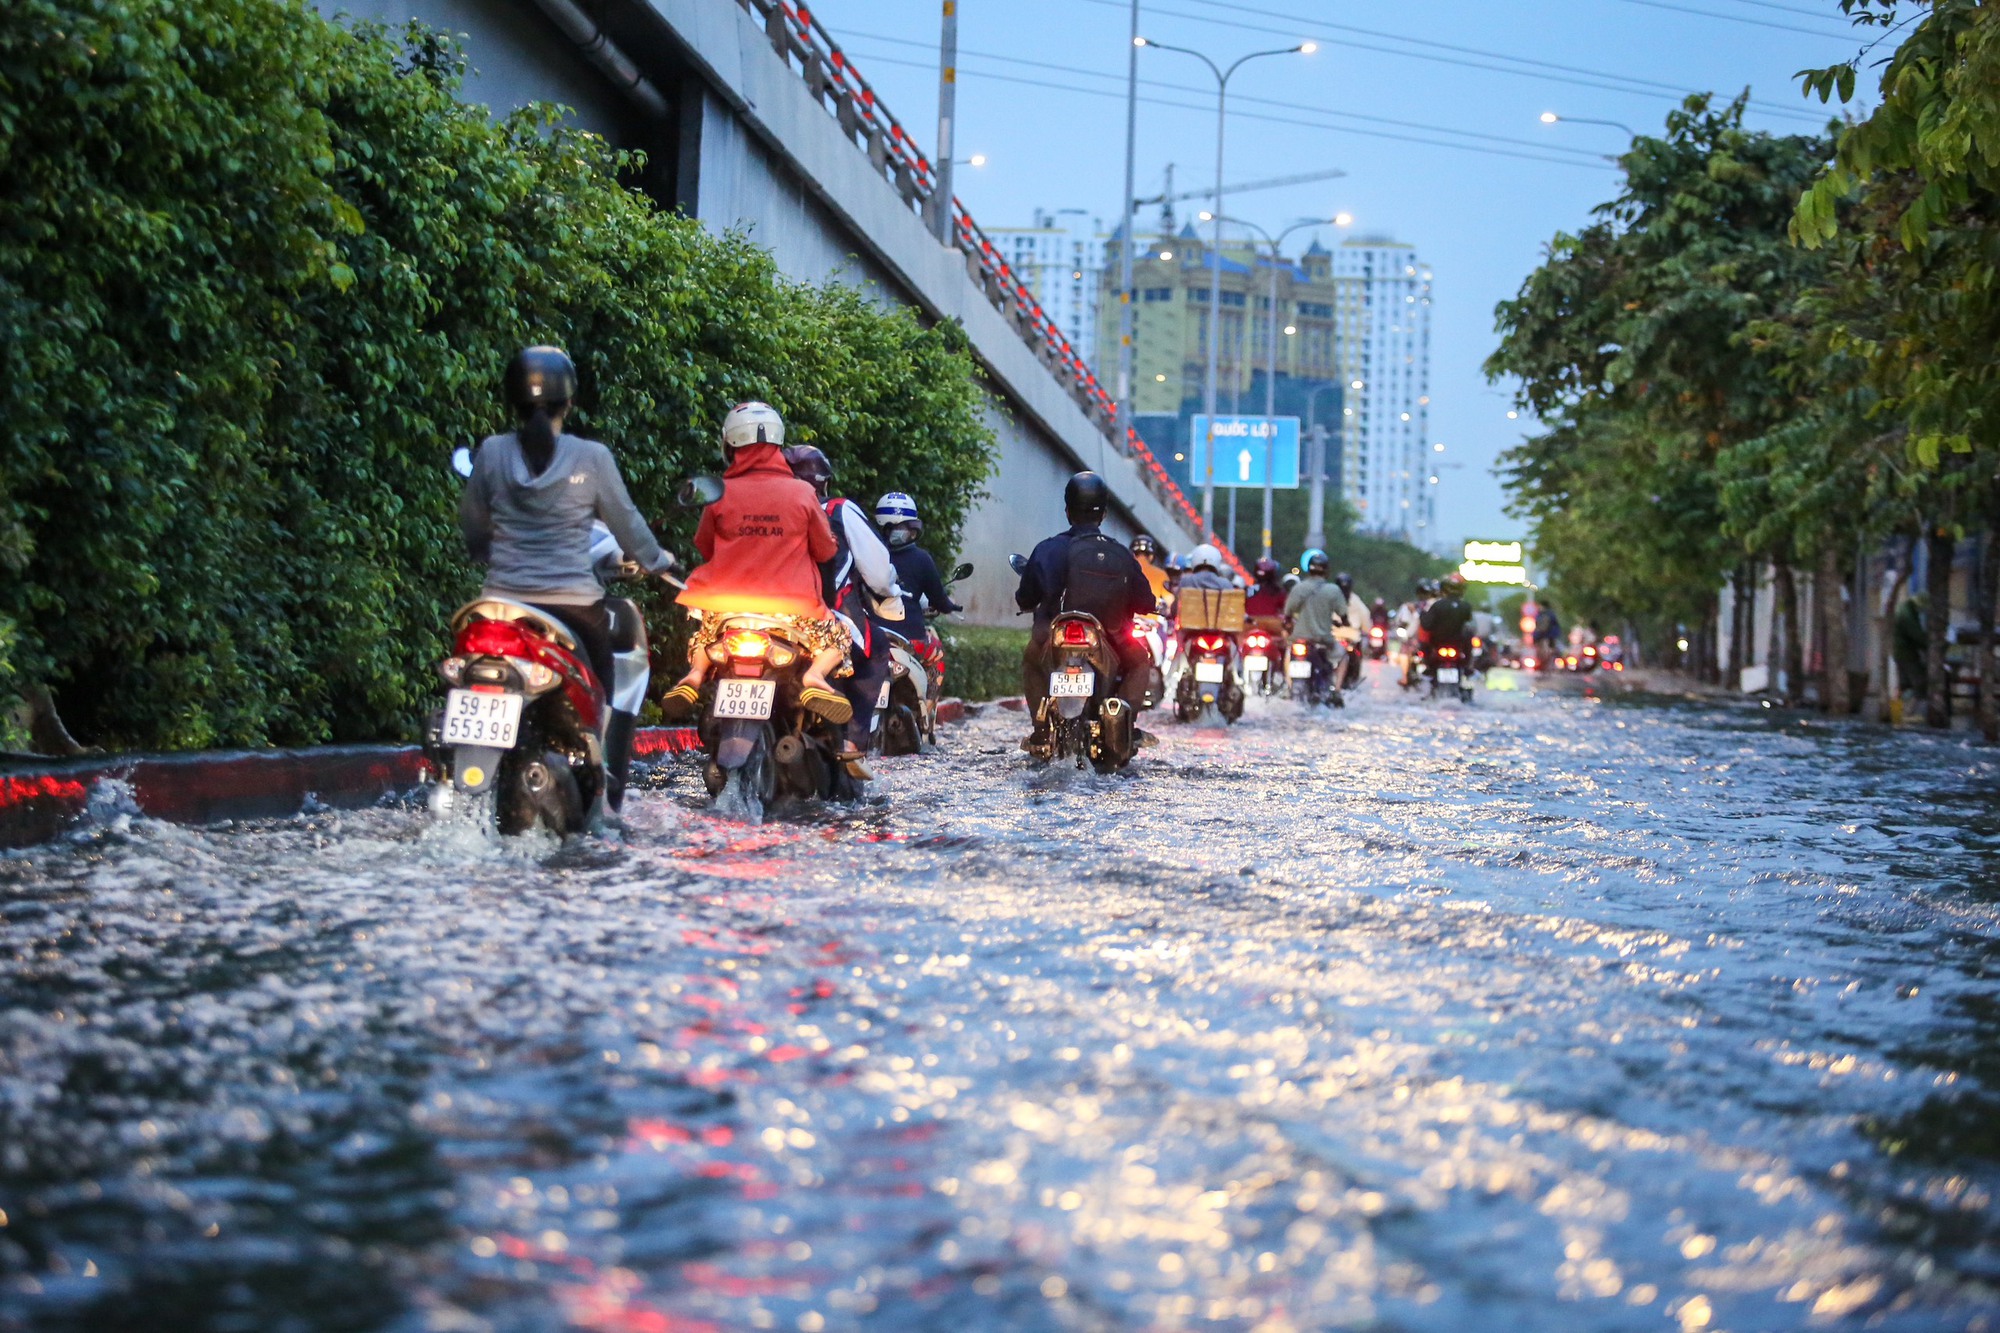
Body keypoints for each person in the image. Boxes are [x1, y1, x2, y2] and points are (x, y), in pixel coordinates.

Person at [460, 346, 680, 813]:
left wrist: (486, 553)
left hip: (499, 605)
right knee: (600, 694)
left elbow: (473, 526)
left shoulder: (492, 452)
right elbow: (626, 522)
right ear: (569, 403)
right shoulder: (591, 456)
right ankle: (599, 793)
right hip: (573, 606)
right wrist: (657, 560)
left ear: (511, 400)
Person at [664, 401, 850, 728]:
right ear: (778, 442)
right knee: (840, 636)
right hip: (793, 612)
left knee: (706, 639)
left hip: (725, 608)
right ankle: (816, 677)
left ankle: (693, 675)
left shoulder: (720, 493)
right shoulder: (802, 493)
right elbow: (824, 552)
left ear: (730, 443)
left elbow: (704, 546)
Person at [1016, 472, 1157, 747]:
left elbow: (1025, 596)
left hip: (1051, 635)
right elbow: (1145, 601)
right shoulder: (1120, 553)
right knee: (1140, 661)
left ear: (1068, 511)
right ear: (1103, 514)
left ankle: (1041, 730)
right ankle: (1124, 725)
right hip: (1110, 640)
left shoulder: (1047, 549)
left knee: (1031, 662)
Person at [788, 447, 905, 772]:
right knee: (877, 646)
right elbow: (879, 574)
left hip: (762, 613)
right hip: (826, 616)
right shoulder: (837, 510)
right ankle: (852, 742)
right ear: (823, 482)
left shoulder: (765, 508)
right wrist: (891, 590)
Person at [875, 491, 960, 617]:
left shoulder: (869, 554)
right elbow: (939, 599)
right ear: (887, 528)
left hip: (872, 627)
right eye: (904, 527)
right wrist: (949, 606)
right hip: (910, 630)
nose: (911, 532)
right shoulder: (921, 558)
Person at [1282, 550, 1349, 698]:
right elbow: (1344, 615)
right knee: (1344, 656)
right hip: (1323, 641)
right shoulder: (1333, 590)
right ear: (1326, 570)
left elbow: (1287, 614)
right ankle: (1337, 691)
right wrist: (1342, 622)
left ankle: (1288, 686)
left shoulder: (1298, 588)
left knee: (1288, 654)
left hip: (1299, 640)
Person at [1421, 572, 1476, 664]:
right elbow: (1471, 626)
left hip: (1439, 642)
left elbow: (1427, 625)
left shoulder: (1437, 605)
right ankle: (1468, 666)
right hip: (1457, 643)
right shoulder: (1466, 606)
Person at [1331, 571, 1371, 688]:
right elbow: (1366, 618)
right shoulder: (1355, 600)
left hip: (1332, 636)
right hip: (1350, 637)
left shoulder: (1329, 597)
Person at [1131, 533, 1172, 610]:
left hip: (1126, 617)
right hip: (1151, 620)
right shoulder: (1161, 574)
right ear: (1151, 556)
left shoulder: (1125, 568)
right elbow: (1170, 601)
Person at [1533, 601, 1562, 671]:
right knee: (1548, 651)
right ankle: (1548, 665)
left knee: (1545, 651)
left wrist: (1537, 635)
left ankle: (1545, 664)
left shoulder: (1544, 615)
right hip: (1549, 636)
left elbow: (1542, 627)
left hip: (1545, 636)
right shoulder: (1550, 614)